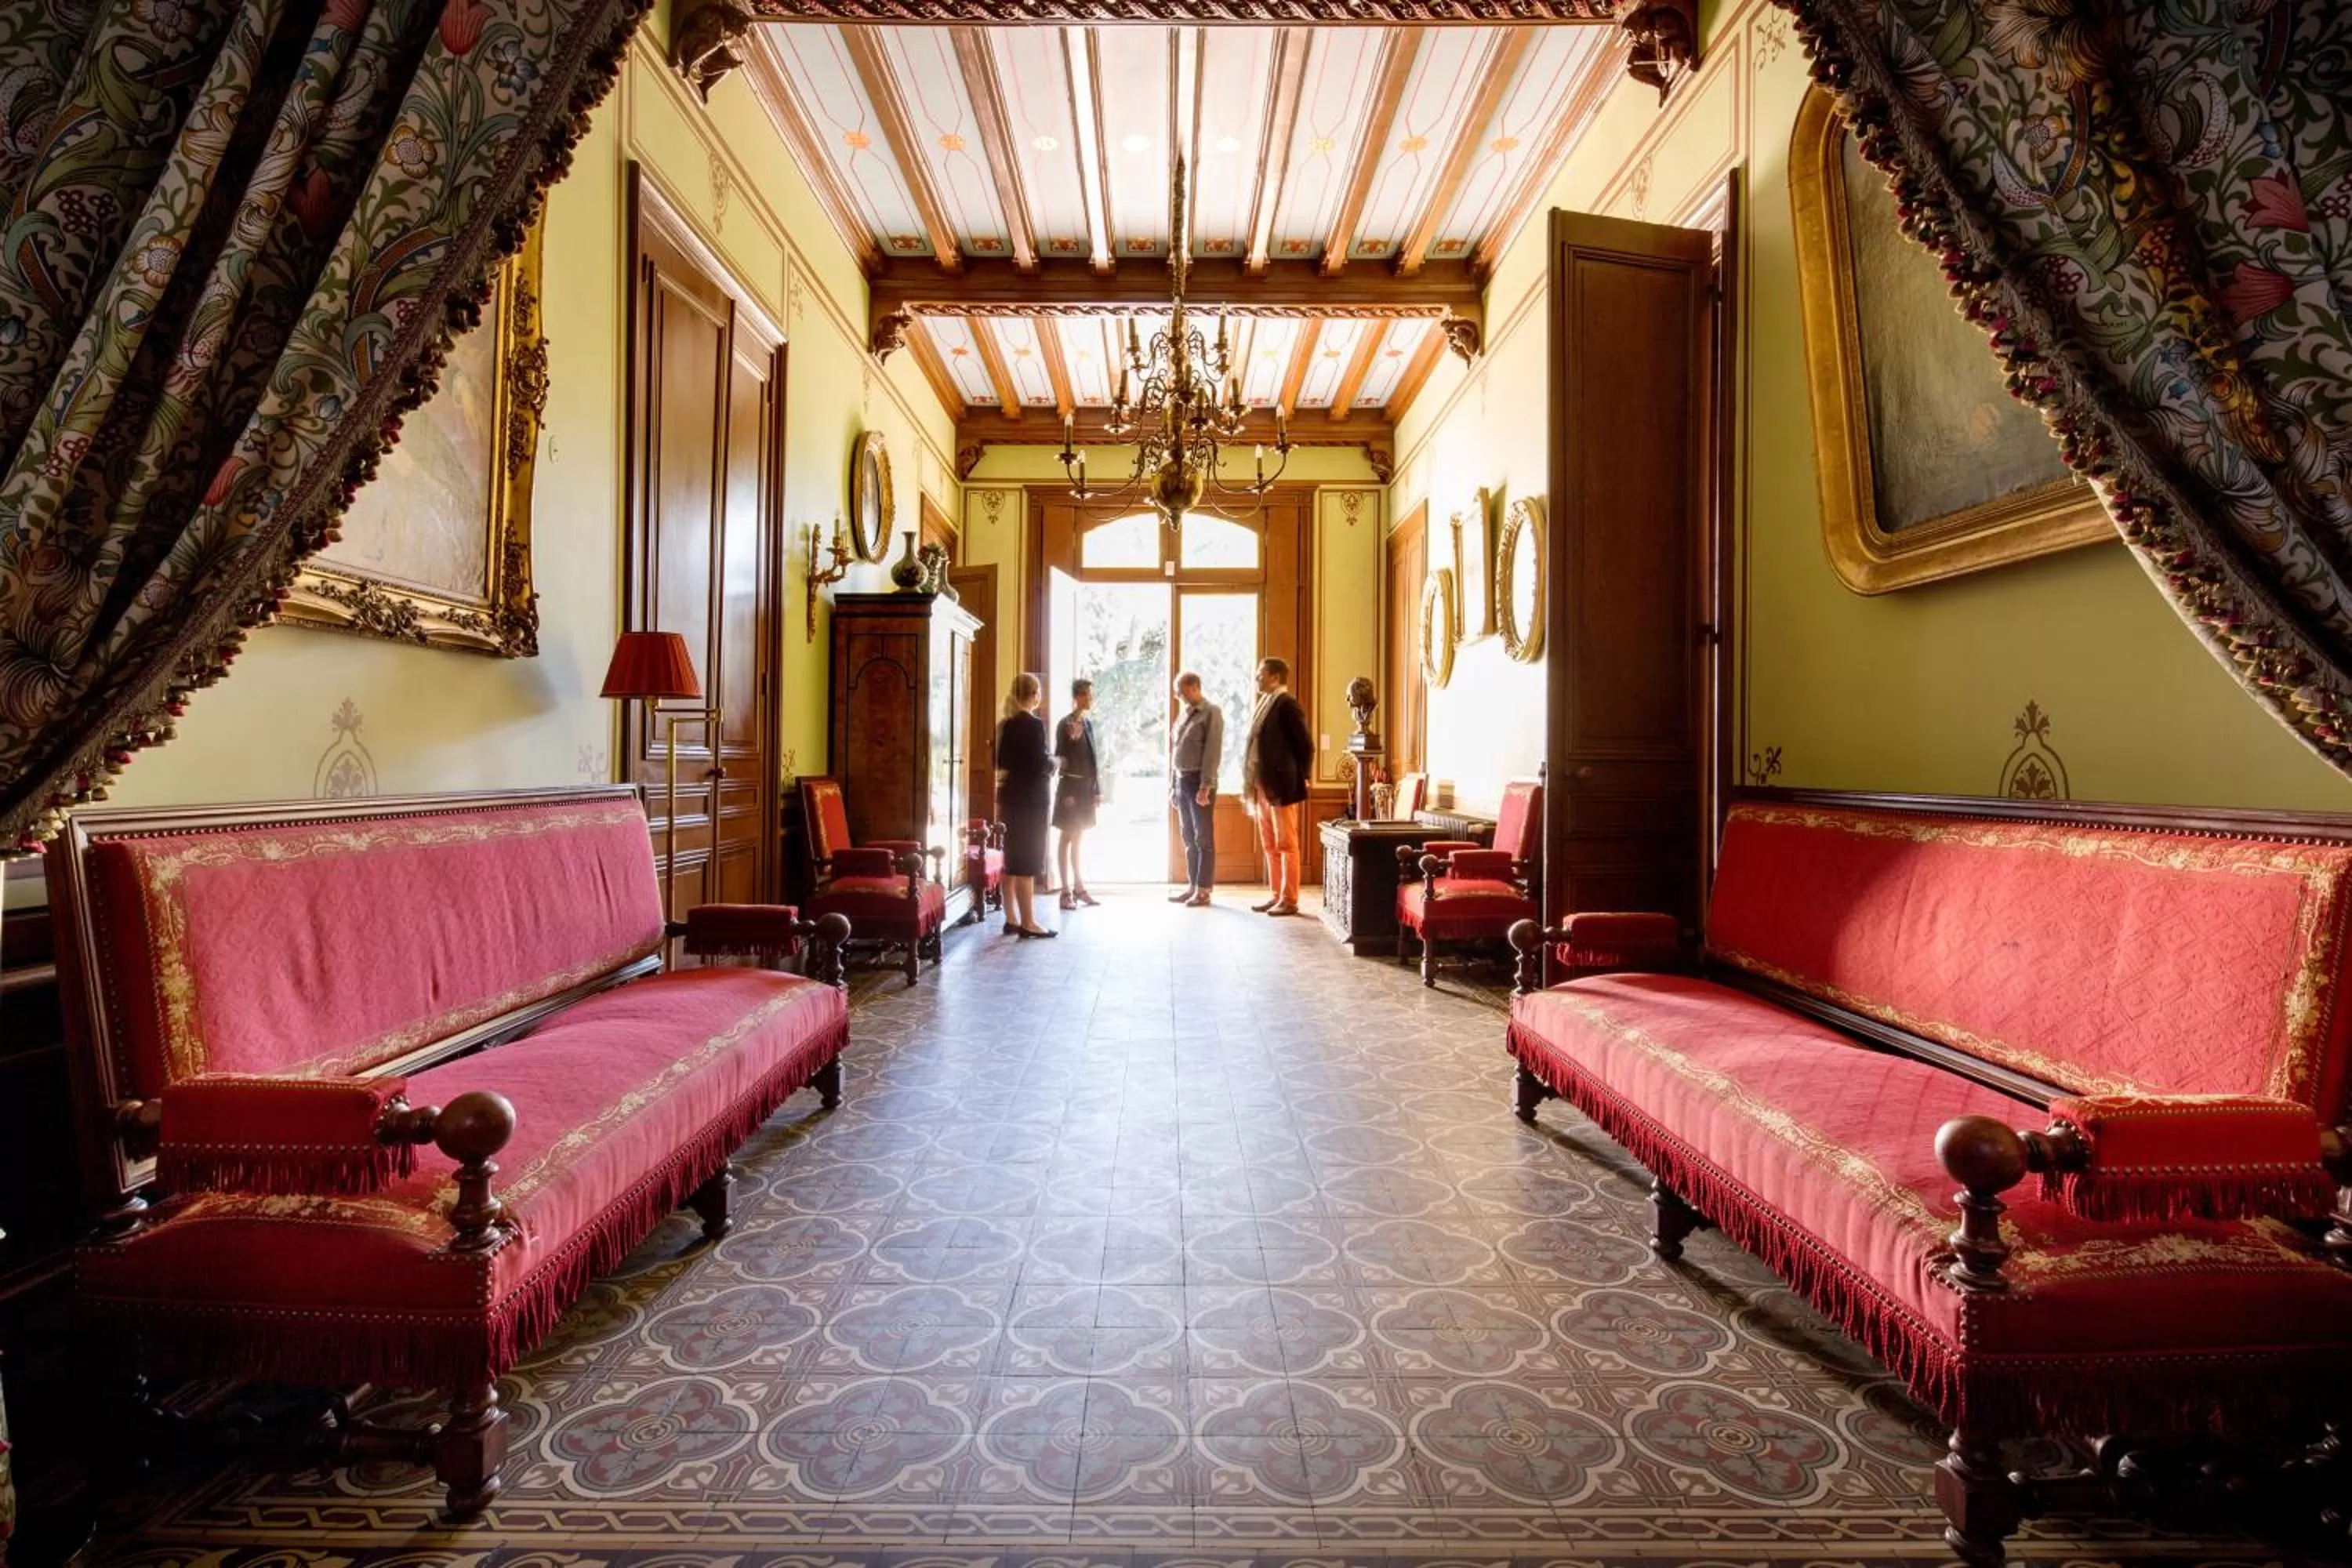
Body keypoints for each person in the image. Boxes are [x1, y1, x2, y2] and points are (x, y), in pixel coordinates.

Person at [1241, 655, 1314, 916]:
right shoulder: (1265, 704)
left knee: (1286, 843)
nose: (1257, 677)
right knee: (1270, 843)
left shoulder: (1287, 705)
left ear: (1274, 677)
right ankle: (1275, 894)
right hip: (1263, 783)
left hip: (1282, 783)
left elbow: (1306, 744)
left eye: (1261, 673)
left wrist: (1303, 775)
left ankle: (1290, 899)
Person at [994, 671, 1057, 938]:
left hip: (1009, 799)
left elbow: (1002, 762)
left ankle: (1011, 918)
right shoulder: (1033, 725)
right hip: (1031, 801)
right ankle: (1029, 922)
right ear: (1034, 695)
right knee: (1028, 862)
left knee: (1011, 859)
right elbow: (1040, 764)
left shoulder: (1006, 724)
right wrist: (1055, 763)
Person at [1168, 670, 1223, 907]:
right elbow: (1176, 753)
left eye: (1179, 690)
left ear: (1193, 687)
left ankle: (1204, 890)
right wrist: (1173, 785)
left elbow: (1212, 753)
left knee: (1203, 839)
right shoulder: (1184, 715)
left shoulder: (1212, 713)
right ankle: (1192, 886)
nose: (1176, 695)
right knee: (1188, 837)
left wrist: (1206, 787)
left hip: (1199, 782)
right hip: (1181, 782)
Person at [1052, 679, 1102, 910]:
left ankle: (1079, 888)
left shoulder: (1089, 724)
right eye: (1088, 695)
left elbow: (1094, 759)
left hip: (1086, 788)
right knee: (1067, 837)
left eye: (1092, 695)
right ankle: (1065, 892)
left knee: (1079, 838)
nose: (1091, 699)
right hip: (1069, 788)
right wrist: (1071, 742)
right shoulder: (1065, 724)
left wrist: (1096, 790)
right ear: (1078, 697)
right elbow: (1058, 758)